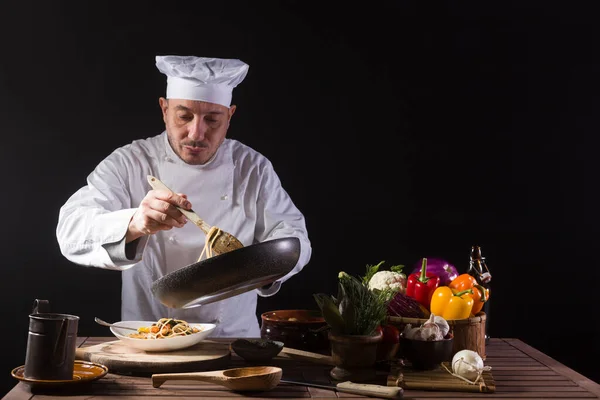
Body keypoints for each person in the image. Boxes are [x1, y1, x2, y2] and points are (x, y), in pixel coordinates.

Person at [56, 55, 312, 337]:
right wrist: (134, 223)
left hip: (232, 341)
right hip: (150, 338)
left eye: (212, 119)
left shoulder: (253, 168)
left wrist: (262, 267)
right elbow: (70, 230)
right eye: (184, 116)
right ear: (164, 109)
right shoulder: (130, 163)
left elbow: (294, 236)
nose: (196, 133)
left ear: (230, 116)